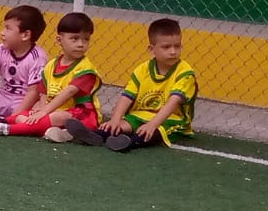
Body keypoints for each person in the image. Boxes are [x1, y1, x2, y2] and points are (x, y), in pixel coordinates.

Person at [69, 17, 198, 152]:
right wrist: (115, 120)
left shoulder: (185, 72)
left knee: (154, 131)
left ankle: (129, 143)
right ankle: (96, 136)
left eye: (177, 46)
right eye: (166, 47)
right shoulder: (142, 69)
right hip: (140, 115)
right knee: (119, 125)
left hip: (172, 119)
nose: (173, 52)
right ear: (151, 49)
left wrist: (153, 124)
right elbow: (127, 97)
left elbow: (173, 102)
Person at [0, 12, 101, 141]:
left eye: (86, 39)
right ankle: (61, 133)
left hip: (81, 115)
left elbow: (68, 93)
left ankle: (6, 129)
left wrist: (44, 111)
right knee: (24, 115)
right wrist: (40, 106)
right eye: (75, 38)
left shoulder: (86, 69)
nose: (81, 44)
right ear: (59, 40)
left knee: (57, 117)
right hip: (53, 110)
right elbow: (43, 91)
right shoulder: (52, 64)